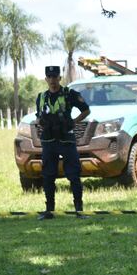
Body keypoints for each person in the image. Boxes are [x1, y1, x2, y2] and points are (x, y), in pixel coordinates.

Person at [35, 65, 91, 220]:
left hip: (66, 139)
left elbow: (86, 110)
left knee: (73, 175)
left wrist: (74, 122)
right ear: (46, 79)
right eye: (49, 77)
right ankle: (49, 211)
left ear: (60, 78)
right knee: (48, 175)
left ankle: (79, 210)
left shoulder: (70, 94)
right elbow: (39, 117)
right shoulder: (41, 97)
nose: (52, 80)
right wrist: (39, 121)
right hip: (48, 140)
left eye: (55, 77)